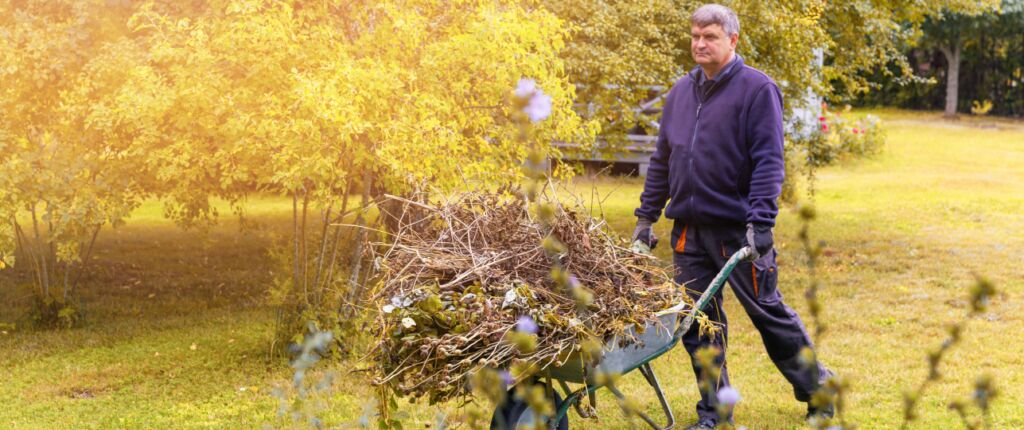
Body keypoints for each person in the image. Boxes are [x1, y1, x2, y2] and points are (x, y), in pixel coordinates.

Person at [630, 4, 834, 428]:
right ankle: (715, 414)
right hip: (688, 233)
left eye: (710, 37)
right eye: (695, 37)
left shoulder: (757, 90)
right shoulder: (680, 92)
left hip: (738, 233)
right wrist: (646, 218)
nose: (700, 44)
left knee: (769, 316)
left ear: (732, 40)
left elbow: (768, 161)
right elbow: (664, 160)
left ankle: (818, 388)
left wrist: (761, 223)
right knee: (699, 327)